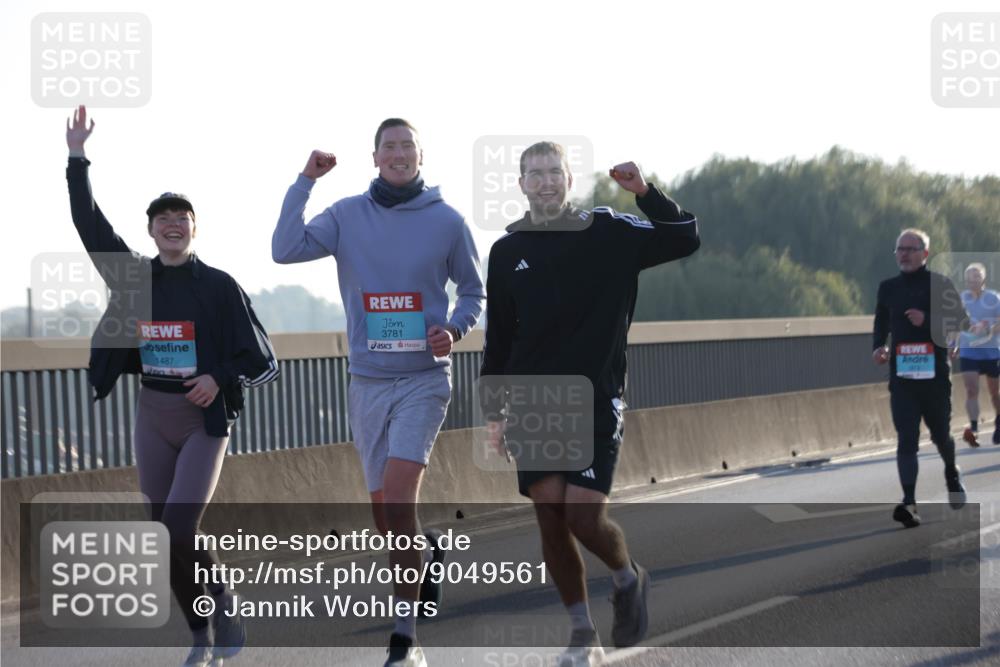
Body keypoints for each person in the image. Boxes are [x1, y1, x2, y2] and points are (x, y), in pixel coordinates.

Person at [65, 105, 279, 667]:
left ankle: (223, 603)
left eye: (182, 217)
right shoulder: (135, 278)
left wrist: (218, 376)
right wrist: (77, 158)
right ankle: (200, 636)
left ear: (194, 227)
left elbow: (260, 357)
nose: (173, 224)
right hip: (152, 414)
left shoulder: (218, 285)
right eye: (163, 219)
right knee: (163, 537)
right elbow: (88, 223)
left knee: (181, 525)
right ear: (151, 231)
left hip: (203, 421)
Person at [272, 119, 485, 667]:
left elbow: (473, 291)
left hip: (423, 378)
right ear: (375, 157)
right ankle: (428, 551)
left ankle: (405, 638)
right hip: (366, 382)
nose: (397, 154)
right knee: (385, 518)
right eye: (387, 146)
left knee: (397, 498)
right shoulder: (346, 216)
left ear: (420, 155)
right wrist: (305, 180)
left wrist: (455, 329)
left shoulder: (447, 221)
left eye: (406, 146)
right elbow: (284, 248)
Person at [479, 141, 700, 666]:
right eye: (535, 175)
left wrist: (645, 193)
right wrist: (493, 412)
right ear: (521, 185)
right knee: (550, 517)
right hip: (534, 400)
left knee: (582, 515)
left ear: (569, 179)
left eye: (555, 172)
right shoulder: (507, 252)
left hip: (597, 395)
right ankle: (582, 633)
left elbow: (684, 237)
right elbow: (500, 338)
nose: (546, 182)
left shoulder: (611, 232)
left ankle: (628, 578)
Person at [872, 229, 968, 528]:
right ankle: (909, 503)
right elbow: (881, 322)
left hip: (935, 377)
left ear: (925, 253)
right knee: (907, 439)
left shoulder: (940, 285)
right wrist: (879, 347)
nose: (904, 254)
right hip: (902, 378)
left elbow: (960, 321)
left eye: (911, 249)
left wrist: (927, 320)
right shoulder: (888, 288)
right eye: (899, 249)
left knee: (941, 435)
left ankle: (951, 471)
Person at [953, 262, 1000, 447]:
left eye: (976, 277)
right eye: (969, 279)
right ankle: (973, 429)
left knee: (994, 393)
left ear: (983, 280)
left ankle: (998, 421)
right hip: (969, 350)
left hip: (991, 351)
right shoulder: (961, 299)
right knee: (971, 390)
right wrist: (953, 344)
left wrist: (987, 328)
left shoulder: (994, 298)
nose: (972, 281)